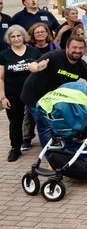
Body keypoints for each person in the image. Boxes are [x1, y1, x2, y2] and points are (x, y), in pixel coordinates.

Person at [21, 36, 87, 147]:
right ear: (67, 47)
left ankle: (62, 151)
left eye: (81, 48)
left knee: (59, 124)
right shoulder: (54, 56)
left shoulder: (82, 66)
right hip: (34, 96)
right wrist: (37, 67)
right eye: (74, 47)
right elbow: (32, 65)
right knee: (46, 127)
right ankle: (51, 156)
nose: (77, 50)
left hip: (54, 99)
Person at [0, 25, 41, 161]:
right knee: (15, 122)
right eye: (13, 36)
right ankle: (15, 148)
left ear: (24, 37)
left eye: (19, 35)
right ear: (9, 39)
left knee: (41, 119)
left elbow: (43, 69)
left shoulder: (34, 52)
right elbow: (0, 78)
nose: (16, 39)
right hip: (13, 94)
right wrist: (3, 97)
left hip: (33, 93)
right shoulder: (4, 55)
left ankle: (48, 146)